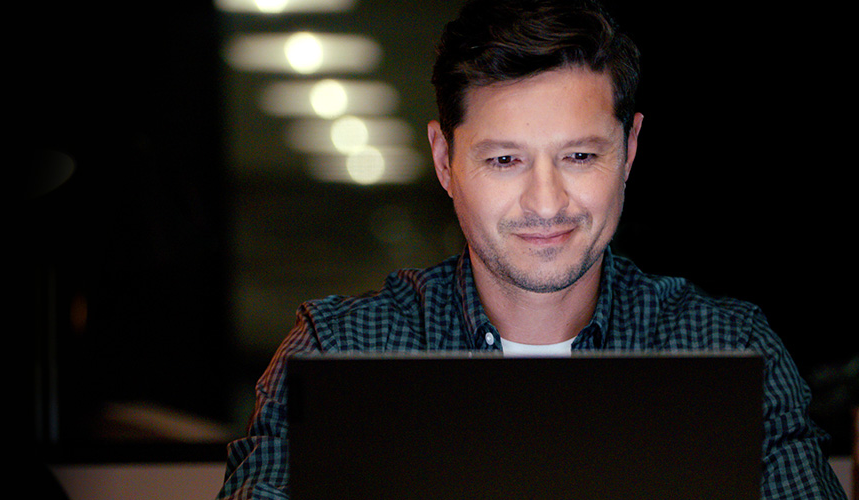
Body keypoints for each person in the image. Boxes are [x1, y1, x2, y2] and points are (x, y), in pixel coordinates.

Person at [217, 0, 847, 498]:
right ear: (444, 159)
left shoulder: (727, 346)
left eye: (579, 155)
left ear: (628, 150)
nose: (546, 203)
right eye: (505, 159)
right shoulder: (340, 350)